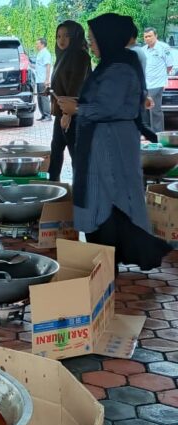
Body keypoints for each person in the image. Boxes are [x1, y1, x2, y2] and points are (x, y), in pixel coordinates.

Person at [58, 13, 171, 273]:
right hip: (106, 141)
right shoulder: (113, 63)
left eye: (94, 39)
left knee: (108, 199)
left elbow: (109, 106)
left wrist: (78, 109)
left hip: (110, 144)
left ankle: (109, 261)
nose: (91, 43)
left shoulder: (119, 67)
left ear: (108, 38)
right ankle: (109, 260)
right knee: (108, 198)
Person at [48, 21, 92, 181]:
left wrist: (68, 114)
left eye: (67, 35)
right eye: (59, 36)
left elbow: (76, 86)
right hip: (62, 113)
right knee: (56, 151)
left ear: (75, 36)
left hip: (74, 114)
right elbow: (62, 82)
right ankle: (53, 190)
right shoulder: (63, 55)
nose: (62, 40)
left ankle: (80, 194)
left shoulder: (80, 56)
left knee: (76, 155)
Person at [142, 27, 174, 132]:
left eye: (150, 36)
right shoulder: (143, 50)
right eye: (145, 36)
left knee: (155, 110)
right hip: (146, 84)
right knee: (145, 110)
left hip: (157, 83)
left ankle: (157, 134)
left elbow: (169, 66)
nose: (147, 38)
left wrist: (162, 76)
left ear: (156, 36)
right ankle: (147, 134)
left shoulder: (164, 47)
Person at [35, 37, 53, 121]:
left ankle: (47, 115)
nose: (36, 45)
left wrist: (47, 79)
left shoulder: (46, 53)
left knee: (44, 98)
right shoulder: (40, 53)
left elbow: (48, 66)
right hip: (39, 80)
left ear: (42, 44)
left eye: (37, 44)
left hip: (43, 80)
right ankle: (43, 114)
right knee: (40, 98)